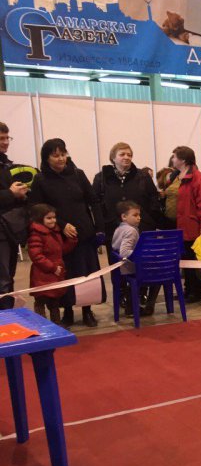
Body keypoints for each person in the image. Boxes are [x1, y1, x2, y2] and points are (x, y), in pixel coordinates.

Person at [29, 139, 104, 327]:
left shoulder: (78, 174)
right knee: (65, 275)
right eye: (55, 155)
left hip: (84, 234)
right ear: (46, 159)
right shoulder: (41, 179)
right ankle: (67, 312)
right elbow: (37, 208)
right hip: (58, 238)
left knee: (87, 274)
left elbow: (93, 201)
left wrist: (99, 227)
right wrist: (61, 225)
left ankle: (88, 311)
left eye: (63, 154)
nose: (61, 158)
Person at [93, 142, 161, 258]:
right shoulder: (101, 178)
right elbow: (96, 203)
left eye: (129, 155)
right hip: (114, 231)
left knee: (144, 264)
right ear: (113, 158)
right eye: (122, 154)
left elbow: (154, 199)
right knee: (118, 266)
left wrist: (151, 221)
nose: (126, 157)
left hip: (143, 229)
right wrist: (102, 225)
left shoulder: (143, 176)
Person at [169, 146, 201, 303]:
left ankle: (196, 292)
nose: (172, 159)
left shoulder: (198, 178)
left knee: (194, 260)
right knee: (186, 259)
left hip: (193, 226)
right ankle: (188, 289)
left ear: (183, 160)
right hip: (182, 226)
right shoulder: (178, 176)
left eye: (174, 157)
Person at [27, 203, 77, 325]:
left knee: (54, 303)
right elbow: (36, 256)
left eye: (54, 217)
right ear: (39, 218)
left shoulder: (55, 232)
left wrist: (72, 240)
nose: (53, 220)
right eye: (49, 218)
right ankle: (41, 325)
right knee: (40, 302)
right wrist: (52, 267)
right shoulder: (36, 234)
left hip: (55, 275)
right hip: (42, 276)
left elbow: (60, 250)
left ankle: (56, 325)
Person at [0, 122, 29, 309]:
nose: (5, 142)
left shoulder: (7, 165)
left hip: (9, 230)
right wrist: (11, 194)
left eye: (7, 138)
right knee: (3, 281)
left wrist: (23, 194)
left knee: (8, 279)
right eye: (1, 138)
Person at [111, 201, 142, 315]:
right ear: (124, 217)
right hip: (129, 267)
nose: (139, 218)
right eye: (135, 215)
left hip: (119, 267)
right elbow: (124, 252)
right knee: (159, 273)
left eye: (139, 215)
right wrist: (141, 254)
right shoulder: (131, 230)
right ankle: (147, 305)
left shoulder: (119, 228)